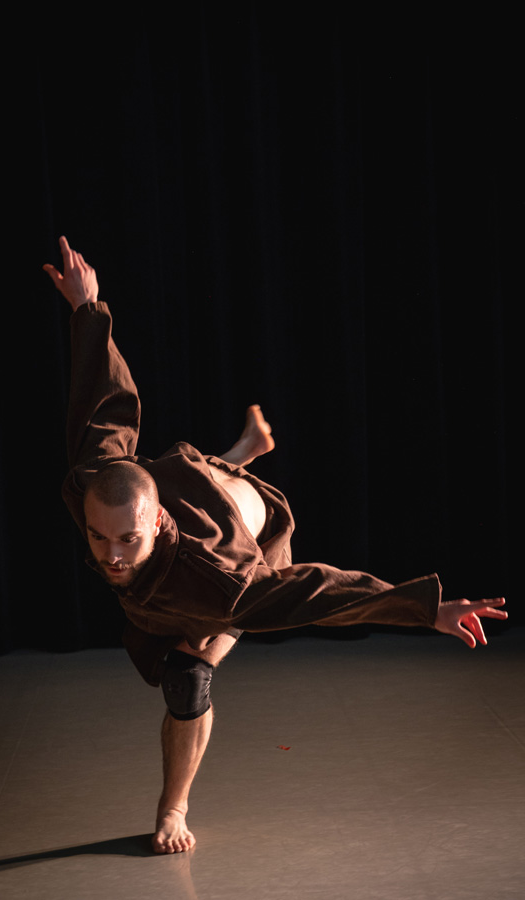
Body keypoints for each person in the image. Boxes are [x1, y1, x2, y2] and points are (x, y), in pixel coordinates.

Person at [44, 236, 507, 855]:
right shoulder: (94, 485)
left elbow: (315, 592)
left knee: (188, 676)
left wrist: (426, 609)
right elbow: (106, 405)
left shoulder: (223, 580)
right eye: (99, 538)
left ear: (153, 523)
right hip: (182, 483)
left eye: (126, 539)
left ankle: (173, 807)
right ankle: (237, 453)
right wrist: (87, 306)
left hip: (250, 533)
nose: (111, 556)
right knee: (182, 499)